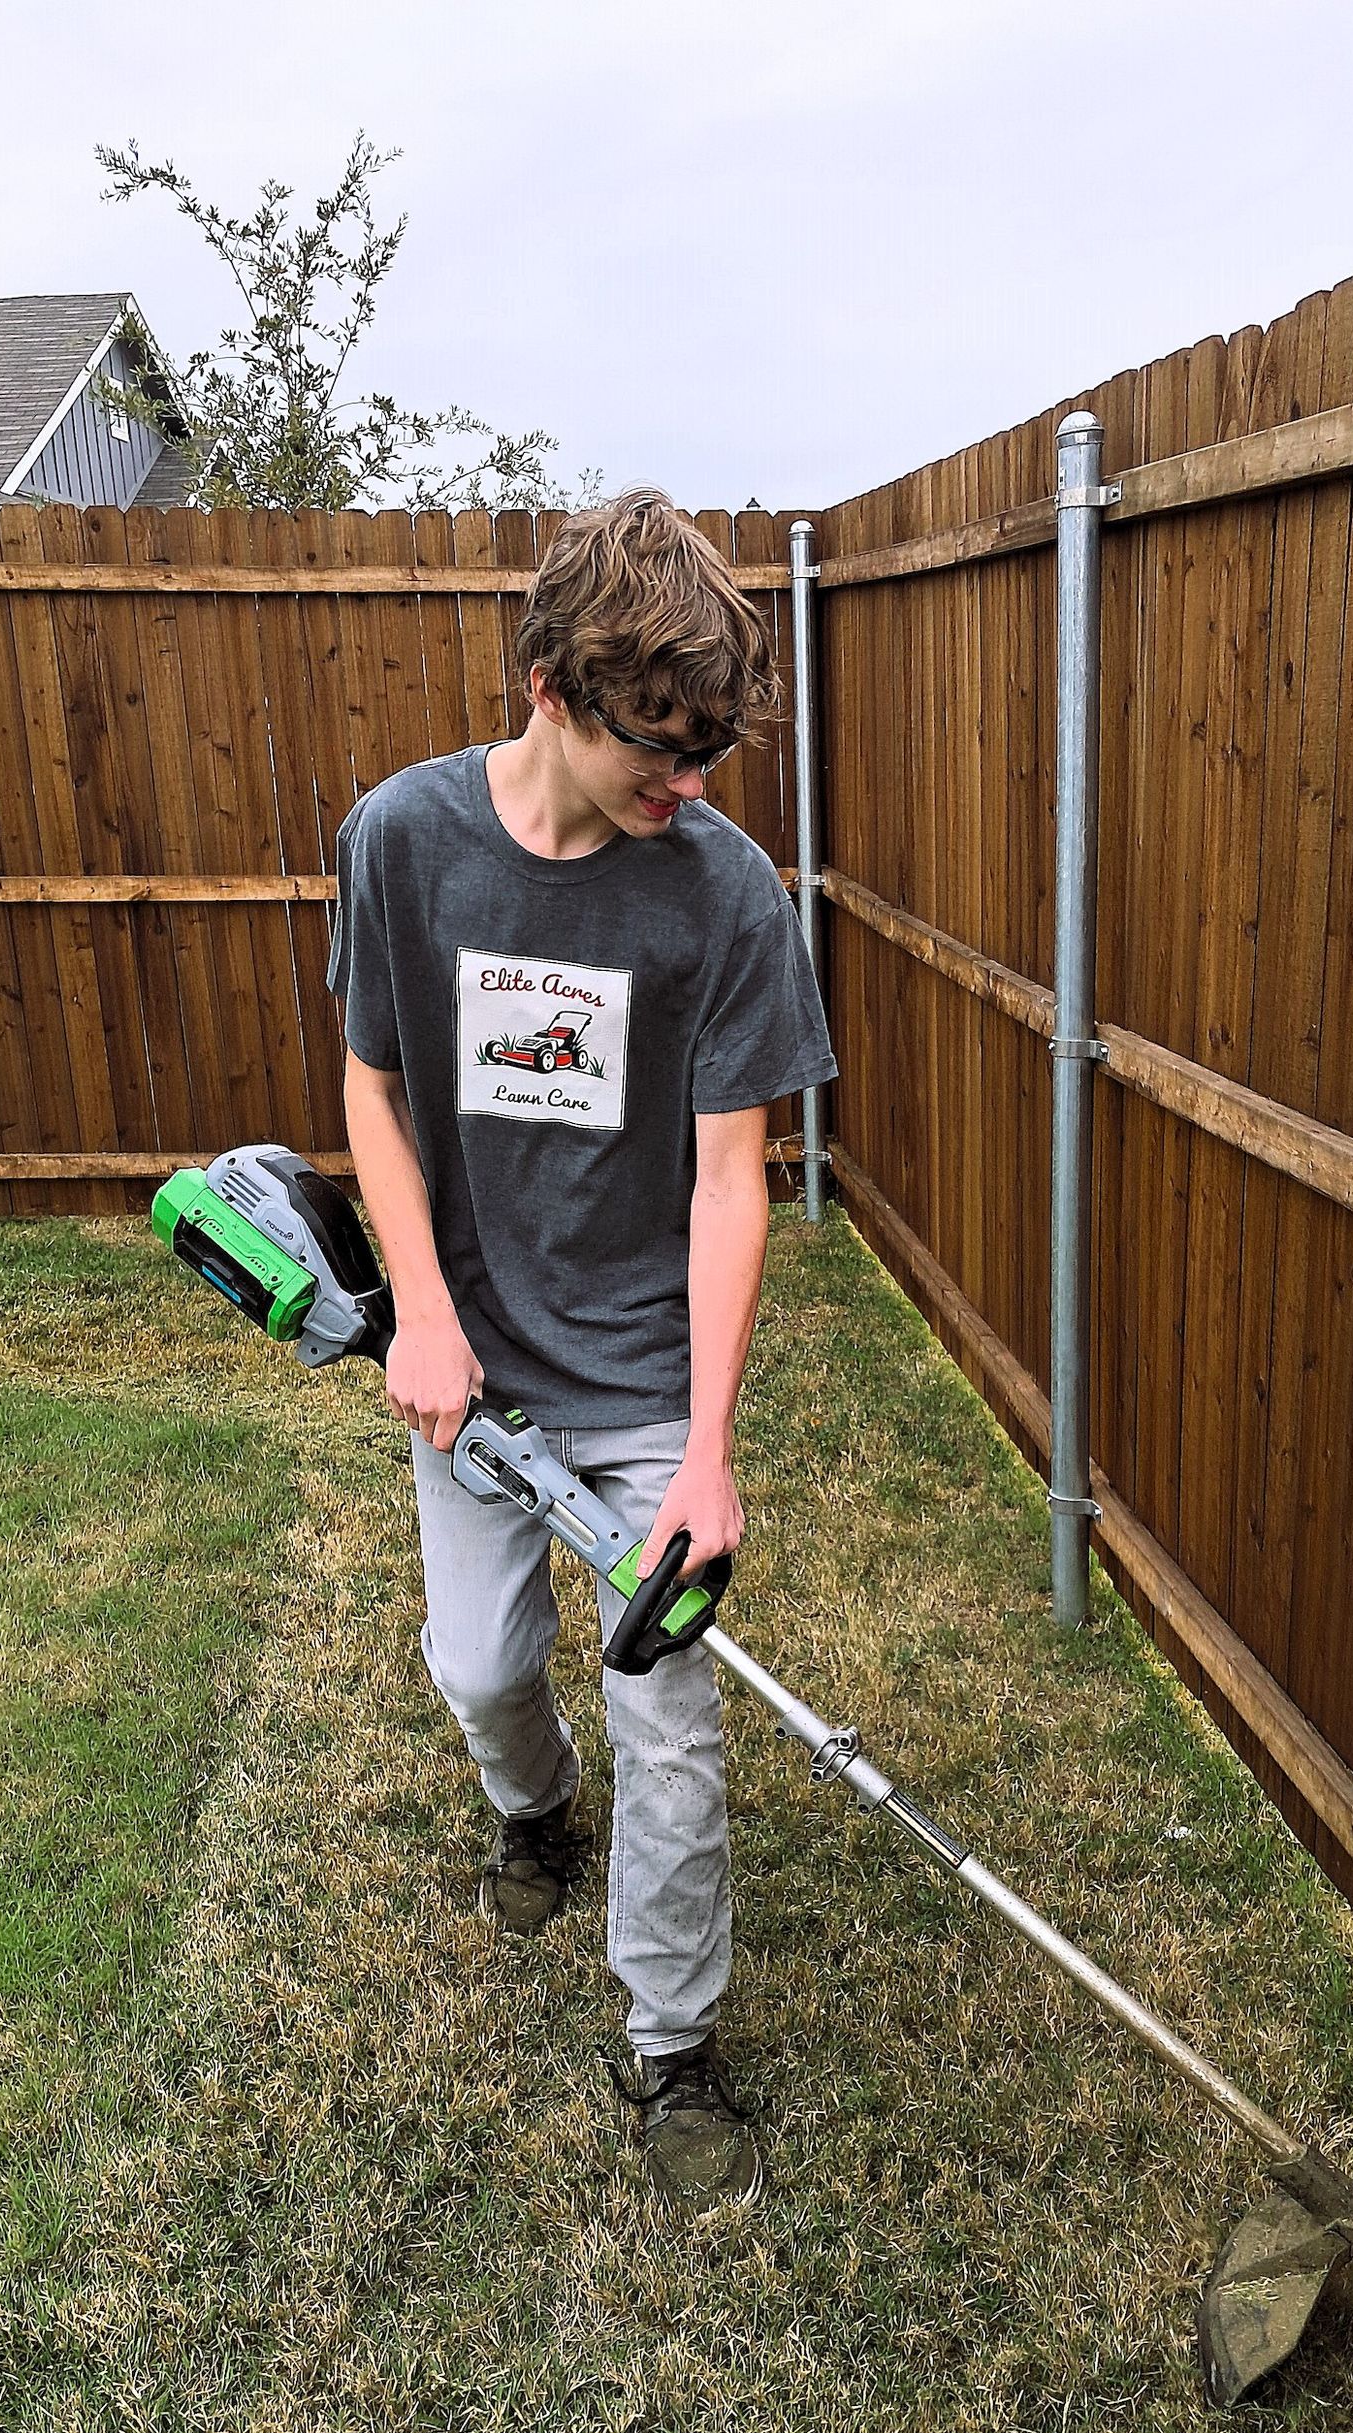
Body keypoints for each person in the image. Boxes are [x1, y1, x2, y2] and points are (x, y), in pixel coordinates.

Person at [326, 488, 835, 2215]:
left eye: (710, 749)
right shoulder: (402, 840)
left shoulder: (723, 893)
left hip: (633, 1382)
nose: (687, 782)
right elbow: (373, 1093)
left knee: (668, 1716)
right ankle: (531, 1811)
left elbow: (728, 1179)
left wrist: (704, 1455)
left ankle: (672, 2047)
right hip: (471, 1366)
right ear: (551, 682)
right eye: (661, 744)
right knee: (479, 1665)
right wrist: (430, 1307)